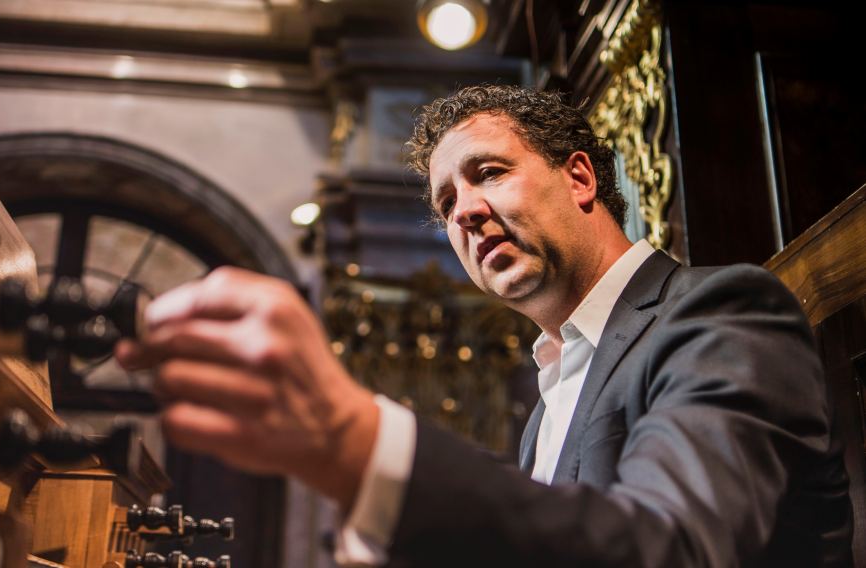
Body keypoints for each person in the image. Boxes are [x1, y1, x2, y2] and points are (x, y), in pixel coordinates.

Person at [115, 85, 852, 567]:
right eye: (446, 202)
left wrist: (361, 443)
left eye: (490, 173)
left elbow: (673, 549)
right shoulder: (547, 404)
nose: (463, 211)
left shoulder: (723, 311)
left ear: (581, 178)